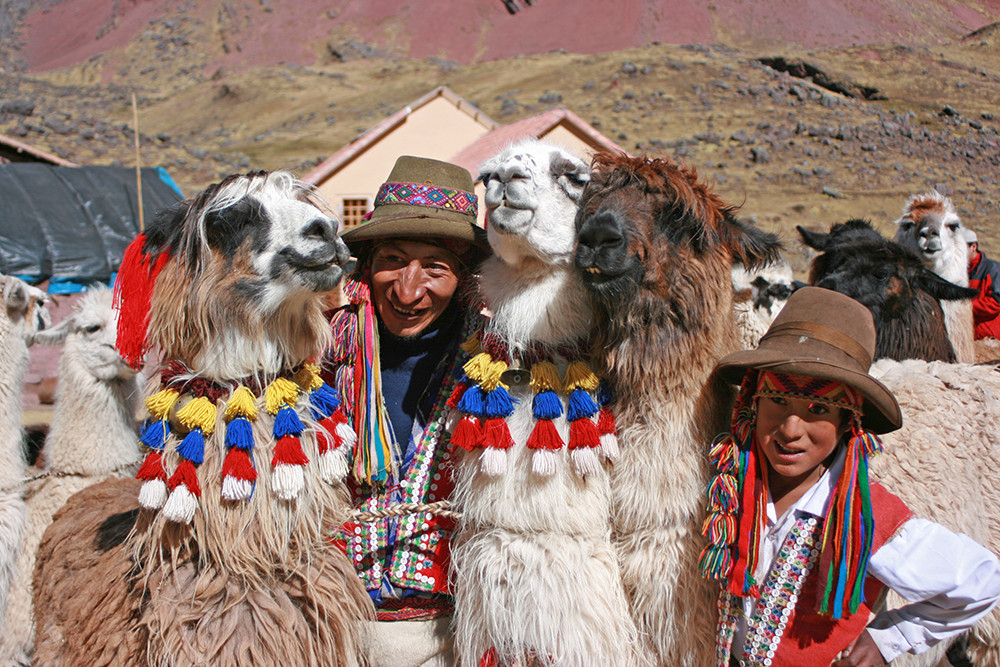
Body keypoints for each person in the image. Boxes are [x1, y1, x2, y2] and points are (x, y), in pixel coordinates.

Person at [699, 286, 1000, 667]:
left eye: (818, 408)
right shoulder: (729, 490)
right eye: (777, 400)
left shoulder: (862, 517)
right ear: (751, 404)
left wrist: (887, 639)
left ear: (847, 423)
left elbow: (980, 579)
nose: (791, 428)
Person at [322, 156, 489, 666]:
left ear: (463, 278)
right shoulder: (319, 353)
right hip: (331, 629)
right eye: (393, 259)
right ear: (367, 263)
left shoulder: (496, 363)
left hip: (452, 635)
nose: (408, 288)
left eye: (435, 267)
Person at [964, 228, 1000, 340]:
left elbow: (996, 303)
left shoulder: (993, 269)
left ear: (973, 247)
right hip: (968, 337)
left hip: (990, 338)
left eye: (961, 248)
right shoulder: (958, 270)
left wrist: (966, 307)